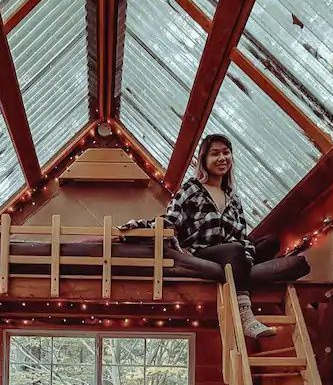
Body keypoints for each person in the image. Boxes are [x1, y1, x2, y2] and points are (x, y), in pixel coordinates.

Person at [121, 133, 286, 339]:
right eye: (215, 154)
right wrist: (139, 226)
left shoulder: (233, 197)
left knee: (271, 241)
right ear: (204, 160)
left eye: (226, 153)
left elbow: (241, 234)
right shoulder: (192, 189)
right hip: (203, 251)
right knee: (236, 250)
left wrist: (247, 253)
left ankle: (241, 265)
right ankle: (245, 315)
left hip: (232, 251)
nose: (222, 158)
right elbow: (169, 220)